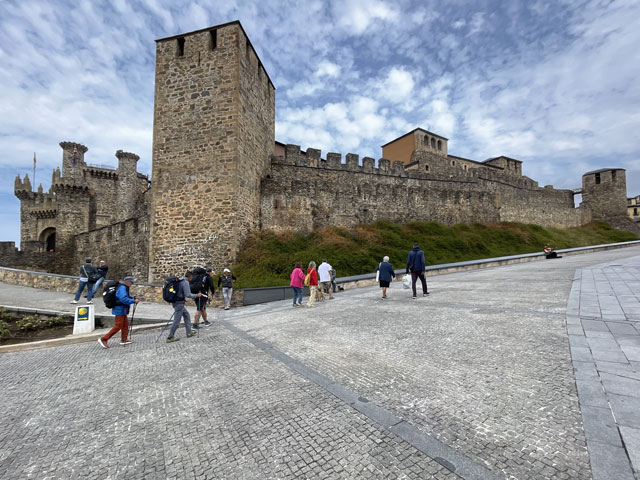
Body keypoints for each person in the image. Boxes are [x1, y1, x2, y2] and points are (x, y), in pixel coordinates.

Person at [97, 276, 139, 348]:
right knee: (118, 326)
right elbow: (123, 299)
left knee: (125, 324)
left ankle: (124, 339)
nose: (132, 284)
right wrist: (133, 301)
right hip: (119, 309)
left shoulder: (123, 287)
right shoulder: (122, 288)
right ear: (127, 282)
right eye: (131, 282)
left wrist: (132, 298)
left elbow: (124, 297)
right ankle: (104, 339)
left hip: (122, 309)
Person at [167, 271, 202, 343]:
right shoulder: (185, 282)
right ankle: (170, 336)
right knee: (177, 321)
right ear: (190, 277)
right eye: (192, 277)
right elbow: (188, 294)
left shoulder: (180, 280)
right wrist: (196, 295)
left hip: (176, 302)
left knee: (186, 315)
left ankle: (189, 332)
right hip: (179, 303)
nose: (192, 278)